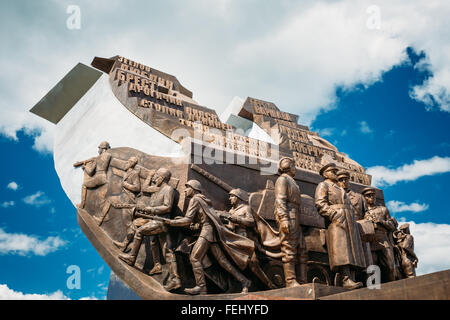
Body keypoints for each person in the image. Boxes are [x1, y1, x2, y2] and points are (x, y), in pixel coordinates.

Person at [163, 180, 253, 295]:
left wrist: (171, 222)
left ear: (194, 189)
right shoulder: (202, 199)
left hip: (206, 232)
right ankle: (245, 281)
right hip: (210, 232)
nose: (185, 190)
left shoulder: (195, 199)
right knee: (223, 261)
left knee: (195, 258)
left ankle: (201, 287)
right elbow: (202, 218)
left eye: (187, 187)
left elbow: (187, 219)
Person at [118, 168, 182, 292]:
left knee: (140, 231)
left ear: (162, 178)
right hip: (157, 220)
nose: (154, 178)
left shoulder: (168, 190)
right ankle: (175, 280)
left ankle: (132, 257)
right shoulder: (159, 190)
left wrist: (151, 210)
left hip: (160, 222)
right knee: (167, 251)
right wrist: (147, 209)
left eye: (156, 176)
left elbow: (167, 207)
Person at [315, 163, 366, 289]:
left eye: (335, 171)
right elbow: (320, 203)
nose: (334, 173)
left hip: (349, 220)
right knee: (342, 250)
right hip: (337, 221)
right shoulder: (324, 185)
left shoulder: (340, 187)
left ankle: (352, 278)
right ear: (325, 173)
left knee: (352, 250)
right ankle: (345, 279)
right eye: (332, 171)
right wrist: (333, 215)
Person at [222, 188, 276, 289]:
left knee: (253, 265)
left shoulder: (245, 208)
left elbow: (251, 222)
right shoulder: (231, 211)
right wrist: (221, 225)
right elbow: (231, 227)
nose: (230, 198)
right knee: (232, 264)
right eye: (230, 196)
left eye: (232, 196)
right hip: (235, 239)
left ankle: (270, 285)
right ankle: (240, 287)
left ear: (238, 198)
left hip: (245, 239)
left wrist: (237, 219)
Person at [274, 157, 308, 287]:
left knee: (302, 249)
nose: (295, 169)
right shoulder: (283, 179)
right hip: (289, 215)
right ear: (289, 166)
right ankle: (290, 281)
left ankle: (303, 280)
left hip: (296, 216)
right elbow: (280, 200)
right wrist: (283, 219)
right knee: (289, 246)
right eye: (294, 166)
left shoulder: (292, 181)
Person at [336, 170, 373, 268]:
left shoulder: (359, 197)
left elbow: (367, 213)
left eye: (346, 179)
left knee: (366, 258)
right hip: (344, 228)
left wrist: (367, 220)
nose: (343, 182)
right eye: (340, 180)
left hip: (360, 228)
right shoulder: (336, 196)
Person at [362, 187, 397, 282]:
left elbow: (392, 226)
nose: (371, 197)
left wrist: (381, 221)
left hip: (383, 238)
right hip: (370, 240)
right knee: (372, 269)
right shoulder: (362, 212)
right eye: (368, 195)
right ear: (364, 197)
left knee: (390, 267)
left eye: (373, 195)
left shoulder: (383, 209)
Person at [94, 156, 140, 226]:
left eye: (128, 161)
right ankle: (101, 219)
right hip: (123, 196)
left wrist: (126, 184)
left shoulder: (134, 173)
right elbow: (117, 172)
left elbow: (137, 188)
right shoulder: (126, 173)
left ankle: (134, 233)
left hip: (128, 198)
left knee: (127, 221)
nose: (126, 163)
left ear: (132, 163)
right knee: (109, 199)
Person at [75, 141, 111, 209]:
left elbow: (91, 172)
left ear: (103, 148)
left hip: (98, 178)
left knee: (84, 185)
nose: (98, 150)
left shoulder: (97, 159)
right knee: (102, 199)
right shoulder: (109, 156)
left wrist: (85, 167)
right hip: (105, 178)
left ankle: (82, 204)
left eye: (99, 148)